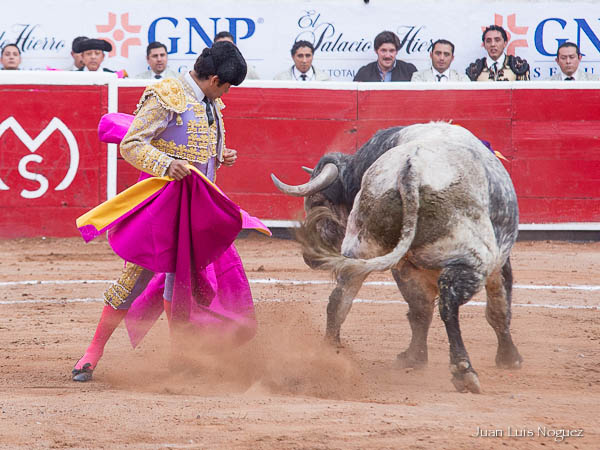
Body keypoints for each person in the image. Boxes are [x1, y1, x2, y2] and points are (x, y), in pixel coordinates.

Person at [71, 41, 266, 382]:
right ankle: (92, 352)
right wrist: (166, 164)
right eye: (228, 86)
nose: (227, 94)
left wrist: (223, 155)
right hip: (164, 208)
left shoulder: (212, 103)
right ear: (215, 78)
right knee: (133, 279)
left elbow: (201, 148)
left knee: (182, 285)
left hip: (197, 210)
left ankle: (181, 357)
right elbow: (132, 143)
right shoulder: (165, 94)